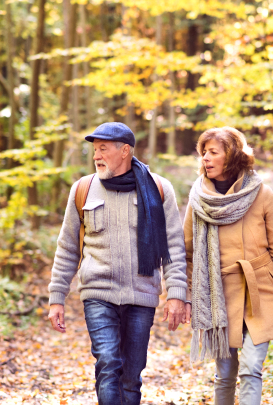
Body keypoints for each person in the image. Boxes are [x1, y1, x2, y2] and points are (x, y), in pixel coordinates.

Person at [47, 122, 187, 405]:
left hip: (142, 294)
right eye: (94, 150)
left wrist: (176, 294)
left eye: (103, 149)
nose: (96, 156)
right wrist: (56, 297)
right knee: (109, 363)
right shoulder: (83, 189)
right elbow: (68, 247)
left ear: (125, 151)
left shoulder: (159, 189)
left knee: (132, 377)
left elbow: (173, 245)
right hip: (98, 293)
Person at [183, 127, 273, 405]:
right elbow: (189, 253)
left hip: (260, 292)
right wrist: (185, 297)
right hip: (218, 296)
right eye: (203, 152)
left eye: (213, 152)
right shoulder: (199, 201)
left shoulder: (262, 194)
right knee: (225, 374)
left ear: (231, 157)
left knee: (251, 369)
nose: (206, 158)